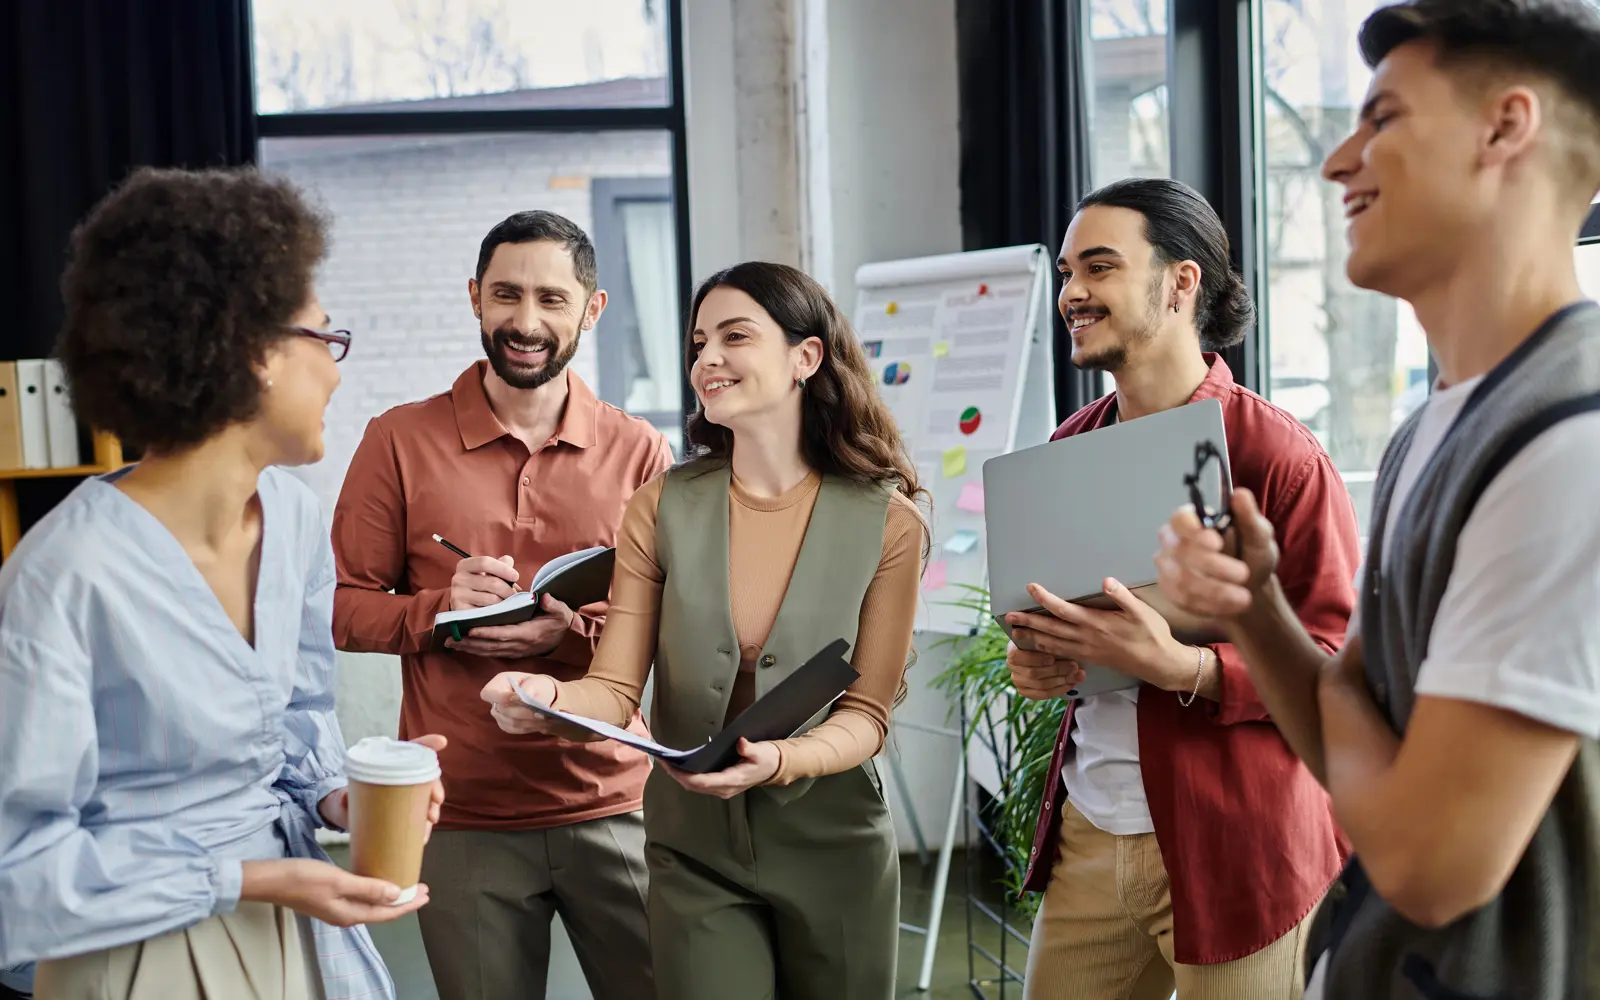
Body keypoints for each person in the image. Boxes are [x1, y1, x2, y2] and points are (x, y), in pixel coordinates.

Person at [1155, 2, 1600, 997]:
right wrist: (1253, 610)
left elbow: (1425, 866)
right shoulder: (1431, 428)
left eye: (1383, 118)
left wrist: (1353, 713)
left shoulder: (1572, 444)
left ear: (1505, 126)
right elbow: (1341, 709)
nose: (1335, 160)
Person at [0, 167, 445, 999]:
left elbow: (298, 722)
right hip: (131, 952)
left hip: (294, 936)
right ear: (255, 351)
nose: (337, 372)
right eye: (325, 337)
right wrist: (252, 879)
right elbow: (17, 875)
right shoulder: (61, 577)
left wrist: (344, 802)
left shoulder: (295, 516)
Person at [479, 261, 925, 1000]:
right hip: (694, 852)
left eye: (734, 337)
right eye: (697, 343)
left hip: (835, 845)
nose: (705, 360)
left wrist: (779, 760)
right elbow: (614, 687)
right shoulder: (661, 506)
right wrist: (545, 698)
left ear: (805, 359)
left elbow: (869, 716)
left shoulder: (890, 522)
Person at [1006, 178, 1361, 1000]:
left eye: (1099, 268)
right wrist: (1044, 665)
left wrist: (1185, 668)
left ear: (1180, 282)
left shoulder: (1279, 457)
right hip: (1093, 833)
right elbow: (1056, 625)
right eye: (1066, 272)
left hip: (1237, 844)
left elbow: (1337, 667)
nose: (1072, 294)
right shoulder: (1069, 444)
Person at [331, 210, 671, 1000]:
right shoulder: (397, 440)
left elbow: (673, 623)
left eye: (552, 299)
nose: (525, 322)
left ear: (592, 309)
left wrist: (570, 629)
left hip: (615, 796)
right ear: (475, 298)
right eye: (507, 296)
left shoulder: (642, 451)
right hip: (461, 809)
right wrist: (439, 614)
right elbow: (343, 609)